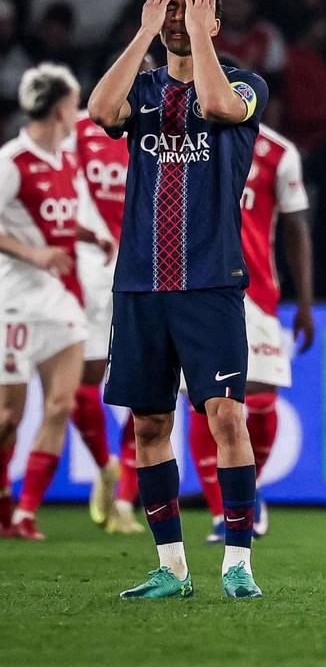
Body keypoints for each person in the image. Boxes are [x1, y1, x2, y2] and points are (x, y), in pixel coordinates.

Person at [88, 0, 268, 600]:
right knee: (148, 425)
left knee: (226, 417)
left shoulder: (245, 84)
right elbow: (100, 112)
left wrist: (198, 33)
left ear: (214, 22)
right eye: (168, 8)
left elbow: (217, 108)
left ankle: (238, 564)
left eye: (191, 9)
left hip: (210, 281)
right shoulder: (141, 91)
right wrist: (144, 31)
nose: (177, 18)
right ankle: (172, 567)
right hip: (140, 282)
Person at [0, 63, 110, 540]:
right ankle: (4, 502)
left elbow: (58, 219)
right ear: (62, 108)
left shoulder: (66, 160)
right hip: (14, 303)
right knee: (8, 418)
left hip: (62, 301)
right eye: (75, 103)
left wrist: (89, 235)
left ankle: (26, 514)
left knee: (61, 405)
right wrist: (35, 254)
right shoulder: (11, 162)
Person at [190, 122, 314, 542]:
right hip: (194, 289)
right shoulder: (184, 139)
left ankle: (247, 490)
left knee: (260, 396)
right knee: (203, 400)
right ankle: (219, 513)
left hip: (255, 291)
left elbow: (296, 227)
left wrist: (306, 303)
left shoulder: (278, 151)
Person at [67, 53, 156, 535]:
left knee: (150, 388)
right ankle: (106, 466)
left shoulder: (168, 132)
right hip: (91, 272)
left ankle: (124, 501)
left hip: (151, 271)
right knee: (82, 382)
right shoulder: (79, 131)